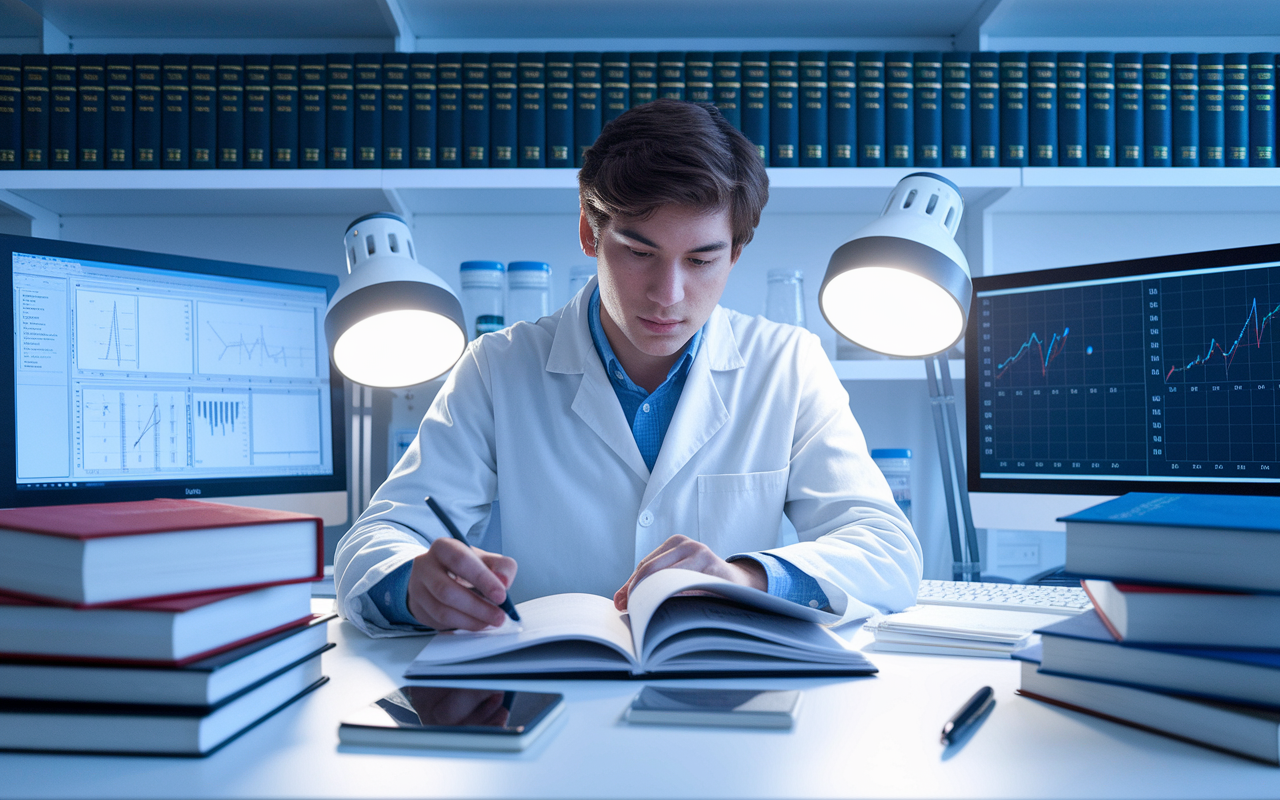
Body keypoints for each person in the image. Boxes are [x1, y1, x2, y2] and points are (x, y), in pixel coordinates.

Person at [334, 99, 921, 637]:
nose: (668, 294)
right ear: (590, 233)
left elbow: (887, 549)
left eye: (701, 259)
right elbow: (376, 539)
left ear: (736, 253)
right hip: (548, 692)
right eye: (640, 253)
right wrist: (410, 585)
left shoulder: (787, 364)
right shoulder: (498, 367)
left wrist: (744, 577)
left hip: (724, 697)